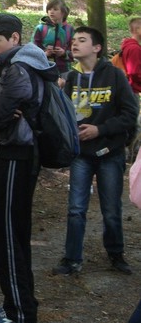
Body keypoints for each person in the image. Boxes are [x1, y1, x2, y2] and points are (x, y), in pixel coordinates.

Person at [0, 13, 57, 323]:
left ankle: (21, 313)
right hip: (18, 153)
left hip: (17, 153)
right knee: (13, 233)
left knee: (7, 234)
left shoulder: (19, 67)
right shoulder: (21, 64)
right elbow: (1, 110)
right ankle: (19, 304)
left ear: (14, 38)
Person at [53, 27, 138, 276]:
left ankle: (116, 254)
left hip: (110, 153)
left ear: (97, 47)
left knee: (111, 209)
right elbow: (63, 114)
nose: (75, 44)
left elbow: (130, 115)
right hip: (81, 155)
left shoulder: (115, 75)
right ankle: (72, 259)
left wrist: (99, 130)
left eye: (82, 40)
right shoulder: (70, 78)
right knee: (76, 208)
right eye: (74, 41)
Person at [31, 0, 74, 74]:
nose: (51, 12)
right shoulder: (40, 28)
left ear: (63, 12)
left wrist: (64, 53)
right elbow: (33, 48)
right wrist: (45, 53)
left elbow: (75, 50)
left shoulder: (69, 29)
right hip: (43, 68)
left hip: (64, 69)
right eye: (49, 9)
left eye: (55, 9)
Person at [120, 17, 141, 94]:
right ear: (136, 30)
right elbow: (134, 72)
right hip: (131, 90)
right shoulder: (134, 48)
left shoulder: (130, 46)